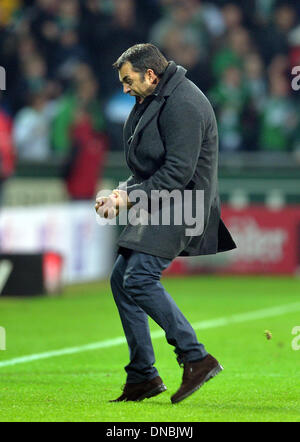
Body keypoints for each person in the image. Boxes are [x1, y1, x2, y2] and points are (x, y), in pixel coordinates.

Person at [95, 43, 236, 404]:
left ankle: (195, 357)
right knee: (122, 279)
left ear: (151, 75)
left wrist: (128, 198)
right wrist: (119, 193)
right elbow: (150, 167)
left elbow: (176, 173)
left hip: (184, 204)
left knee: (139, 278)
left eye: (128, 81)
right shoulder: (157, 99)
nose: (125, 88)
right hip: (165, 203)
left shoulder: (184, 104)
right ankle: (143, 375)